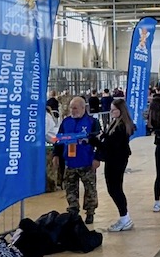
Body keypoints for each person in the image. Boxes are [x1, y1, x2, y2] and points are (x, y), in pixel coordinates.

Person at [58, 96, 99, 224]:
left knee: (90, 189)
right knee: (70, 188)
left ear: (83, 108)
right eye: (71, 108)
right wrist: (56, 155)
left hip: (87, 162)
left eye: (75, 108)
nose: (72, 110)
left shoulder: (92, 122)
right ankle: (73, 210)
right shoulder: (66, 122)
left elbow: (99, 142)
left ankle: (90, 212)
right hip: (70, 162)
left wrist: (97, 158)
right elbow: (59, 139)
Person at [100, 99, 135, 232]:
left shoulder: (121, 126)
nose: (111, 112)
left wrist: (94, 142)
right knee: (114, 188)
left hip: (116, 160)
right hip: (113, 159)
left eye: (114, 109)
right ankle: (124, 217)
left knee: (115, 189)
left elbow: (110, 145)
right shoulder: (116, 123)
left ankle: (125, 218)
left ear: (120, 110)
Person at [44, 96, 63, 193]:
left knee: (54, 166)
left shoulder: (46, 118)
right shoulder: (48, 116)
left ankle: (53, 185)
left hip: (55, 141)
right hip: (55, 140)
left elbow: (43, 133)